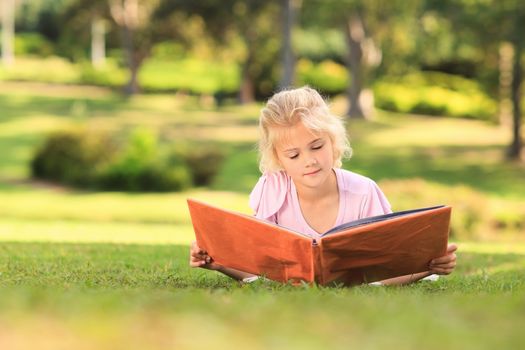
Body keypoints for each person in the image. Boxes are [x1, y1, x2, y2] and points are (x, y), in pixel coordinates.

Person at [190, 86, 457, 285]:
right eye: (293, 155)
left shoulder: (363, 192)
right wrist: (217, 261)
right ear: (278, 160)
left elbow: (389, 269)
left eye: (317, 146)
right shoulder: (272, 189)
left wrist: (429, 266)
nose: (310, 161)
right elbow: (261, 271)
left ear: (333, 142)